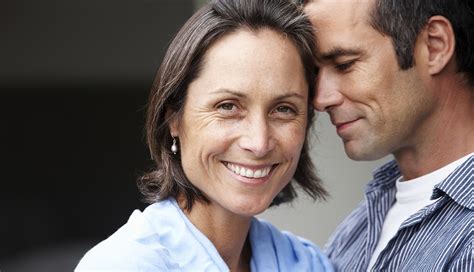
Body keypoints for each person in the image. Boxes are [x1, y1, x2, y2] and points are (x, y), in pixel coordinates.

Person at [75, 0, 333, 271]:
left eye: (283, 109)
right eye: (228, 106)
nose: (259, 142)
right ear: (173, 118)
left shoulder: (307, 263)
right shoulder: (122, 265)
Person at [302, 0, 473, 271]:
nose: (320, 99)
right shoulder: (358, 227)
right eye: (314, 72)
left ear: (435, 47)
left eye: (344, 64)